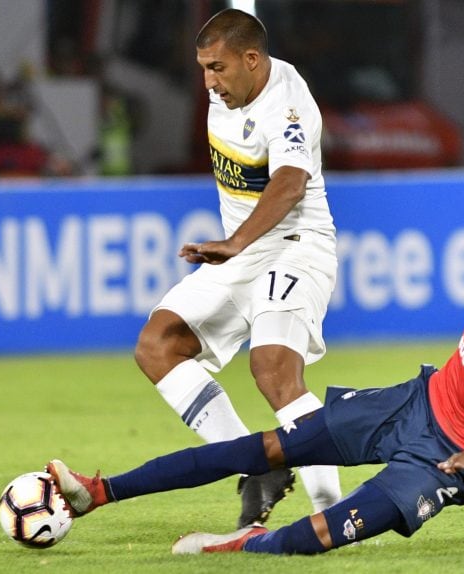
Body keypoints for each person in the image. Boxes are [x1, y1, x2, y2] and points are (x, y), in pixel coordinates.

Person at [47, 203, 464, 555]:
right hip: (415, 400)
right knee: (269, 448)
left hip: (446, 455)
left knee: (326, 536)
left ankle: (249, 545)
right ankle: (98, 493)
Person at [130, 8, 342, 527]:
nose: (209, 81)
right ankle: (257, 467)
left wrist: (234, 241)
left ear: (253, 60)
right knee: (158, 345)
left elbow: (290, 183)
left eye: (218, 68)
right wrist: (236, 246)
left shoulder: (287, 104)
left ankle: (334, 513)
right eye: (203, 67)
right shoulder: (230, 80)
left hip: (296, 245)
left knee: (273, 371)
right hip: (243, 252)